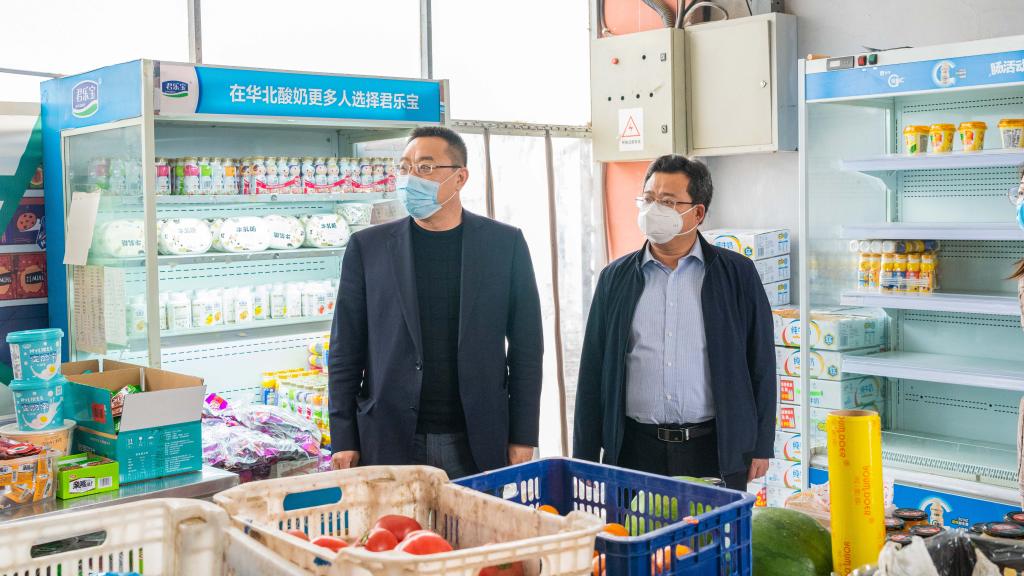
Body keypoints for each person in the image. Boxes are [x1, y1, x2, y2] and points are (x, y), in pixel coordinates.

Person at [328, 126, 543, 479]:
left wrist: (523, 434)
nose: (411, 178)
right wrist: (343, 437)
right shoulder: (368, 248)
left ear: (460, 178)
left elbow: (527, 348)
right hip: (389, 435)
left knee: (476, 517)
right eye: (405, 167)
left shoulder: (504, 244)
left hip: (476, 438)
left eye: (425, 168)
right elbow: (344, 350)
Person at [572, 154, 775, 490]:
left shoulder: (736, 274)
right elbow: (593, 368)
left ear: (698, 213)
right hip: (634, 449)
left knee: (708, 527)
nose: (654, 210)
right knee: (633, 525)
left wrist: (762, 443)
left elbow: (762, 362)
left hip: (712, 447)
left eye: (667, 202)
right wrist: (585, 453)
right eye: (648, 199)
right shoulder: (615, 278)